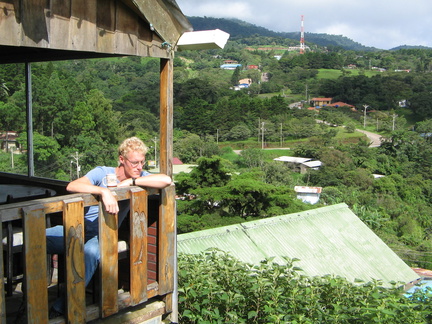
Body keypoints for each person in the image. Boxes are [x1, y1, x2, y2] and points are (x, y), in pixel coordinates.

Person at [46, 137, 171, 317]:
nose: (139, 166)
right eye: (135, 162)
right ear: (122, 159)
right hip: (79, 227)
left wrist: (132, 183)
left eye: (142, 162)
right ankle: (32, 295)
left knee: (89, 254)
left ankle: (60, 308)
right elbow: (72, 185)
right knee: (35, 240)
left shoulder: (139, 176)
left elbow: (166, 180)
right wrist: (103, 191)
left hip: (103, 233)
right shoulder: (102, 173)